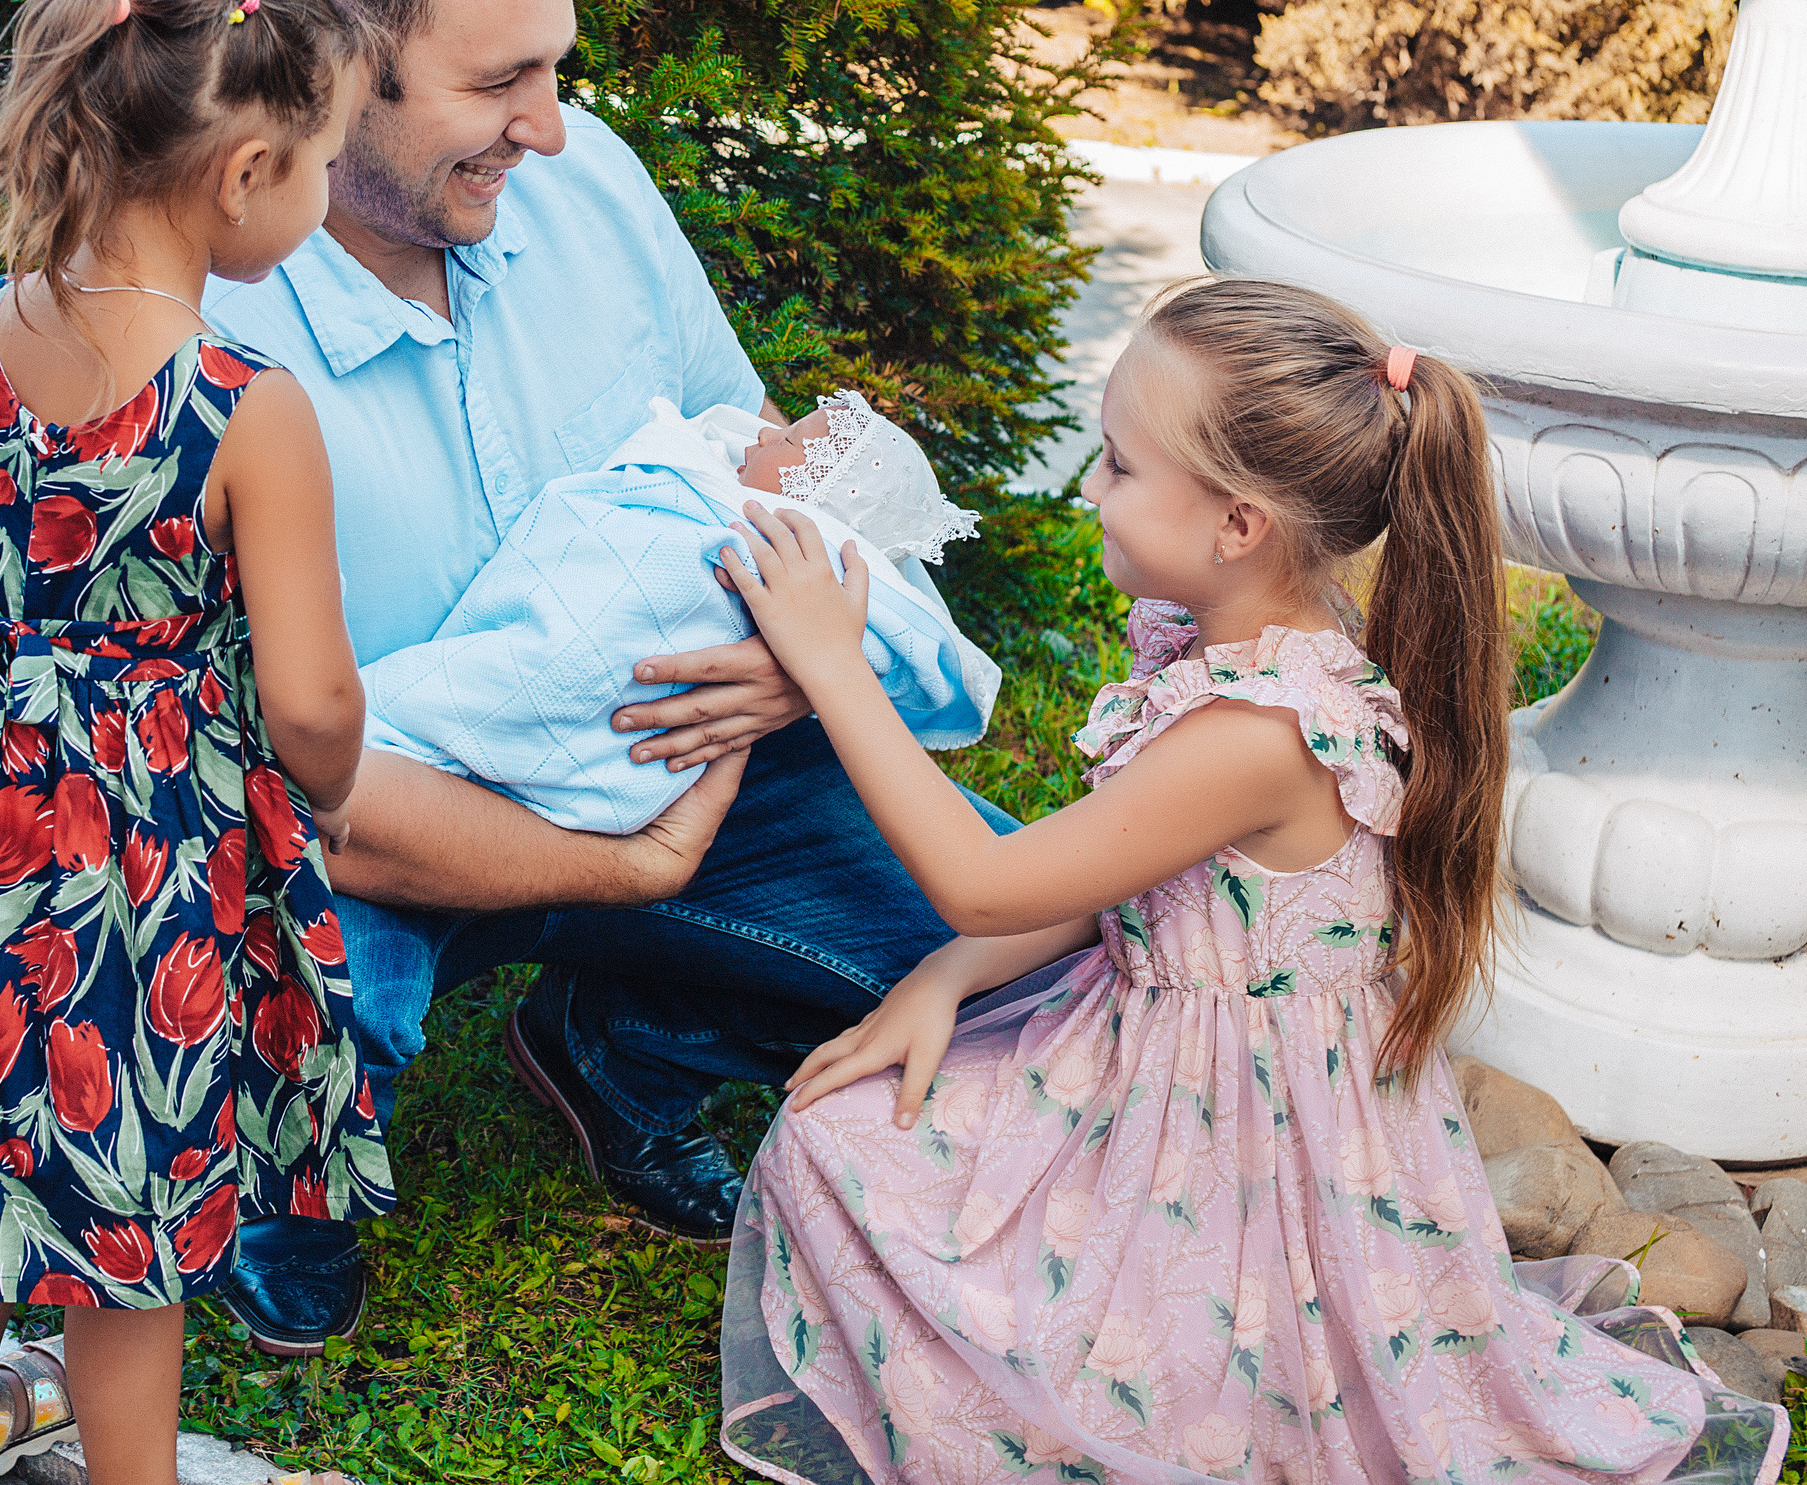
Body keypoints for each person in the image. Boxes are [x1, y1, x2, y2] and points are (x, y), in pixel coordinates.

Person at [711, 278, 1789, 1483]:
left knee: (845, 1160)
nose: (1089, 487)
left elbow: (983, 878)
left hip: (1233, 1144)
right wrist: (938, 982)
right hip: (1153, 1059)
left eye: (1117, 466)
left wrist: (829, 659)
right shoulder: (1251, 650)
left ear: (1237, 525)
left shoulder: (1259, 731)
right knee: (848, 1128)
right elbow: (1112, 872)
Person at [203, 0, 1024, 1354]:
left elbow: (743, 458)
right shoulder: (197, 308)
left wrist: (798, 647)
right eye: (500, 83)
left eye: (557, 68)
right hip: (344, 824)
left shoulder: (593, 191)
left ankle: (619, 1041)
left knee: (1008, 957)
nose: (553, 128)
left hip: (662, 752)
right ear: (330, 69)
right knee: (272, 922)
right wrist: (625, 868)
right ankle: (281, 1174)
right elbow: (265, 775)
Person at [0, 0, 389, 1485]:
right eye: (318, 166)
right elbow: (309, 695)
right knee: (127, 1171)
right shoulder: (245, 410)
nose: (320, 197)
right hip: (146, 845)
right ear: (239, 175)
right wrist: (341, 780)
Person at [365, 390, 999, 835]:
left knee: (549, 667)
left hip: (638, 700)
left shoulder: (776, 548)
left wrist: (812, 672)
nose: (762, 433)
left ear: (812, 496)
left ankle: (405, 723)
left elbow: (656, 587)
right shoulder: (709, 488)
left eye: (789, 440)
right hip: (592, 661)